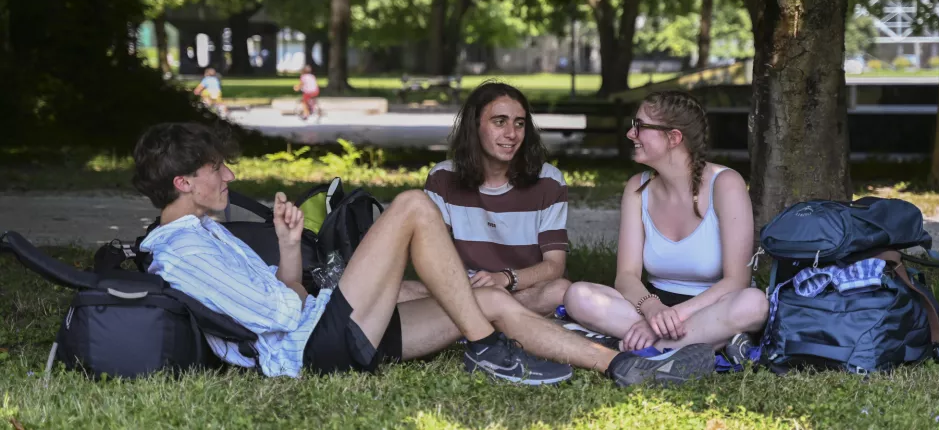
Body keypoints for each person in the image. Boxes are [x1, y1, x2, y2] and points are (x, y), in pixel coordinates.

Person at [131, 122, 718, 386]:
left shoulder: (206, 233)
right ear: (183, 183)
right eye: (215, 169)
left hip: (326, 329)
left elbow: (289, 297)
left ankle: (624, 366)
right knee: (413, 204)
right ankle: (488, 349)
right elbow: (284, 319)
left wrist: (289, 250)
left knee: (483, 299)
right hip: (315, 348)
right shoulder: (181, 249)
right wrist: (356, 291)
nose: (229, 175)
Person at [562, 91, 770, 364]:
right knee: (578, 296)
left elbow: (736, 281)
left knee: (754, 304)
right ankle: (693, 346)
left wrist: (673, 317)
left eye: (640, 126)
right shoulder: (637, 187)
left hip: (711, 307)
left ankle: (649, 349)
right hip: (651, 306)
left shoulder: (726, 183)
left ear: (673, 138)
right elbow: (626, 276)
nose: (630, 134)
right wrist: (652, 310)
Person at [398, 82, 570, 316]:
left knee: (561, 290)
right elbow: (431, 259)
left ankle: (464, 323)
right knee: (397, 292)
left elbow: (554, 266)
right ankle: (501, 320)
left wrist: (504, 279)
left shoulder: (549, 180)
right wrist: (465, 288)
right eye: (499, 122)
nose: (511, 133)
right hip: (461, 290)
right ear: (475, 125)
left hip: (519, 290)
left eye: (519, 124)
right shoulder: (442, 178)